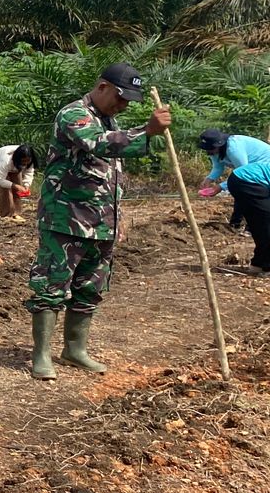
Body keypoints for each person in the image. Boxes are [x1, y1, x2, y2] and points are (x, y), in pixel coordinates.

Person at [26, 62, 171, 380]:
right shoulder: (74, 114)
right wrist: (146, 131)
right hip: (66, 218)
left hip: (102, 221)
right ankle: (42, 357)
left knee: (90, 286)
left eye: (129, 101)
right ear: (103, 86)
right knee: (51, 285)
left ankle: (75, 350)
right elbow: (97, 143)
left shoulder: (110, 120)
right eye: (120, 97)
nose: (123, 105)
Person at [198, 129, 270, 231]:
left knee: (250, 194)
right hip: (250, 171)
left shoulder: (233, 148)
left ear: (219, 145)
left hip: (264, 166)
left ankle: (253, 227)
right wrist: (209, 179)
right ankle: (235, 224)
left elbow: (243, 174)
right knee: (240, 192)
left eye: (210, 149)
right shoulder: (214, 151)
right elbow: (218, 167)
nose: (209, 152)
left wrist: (220, 187)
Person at [224, 157, 270, 275]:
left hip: (240, 179)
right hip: (247, 181)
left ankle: (258, 264)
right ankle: (266, 267)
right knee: (265, 223)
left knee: (259, 224)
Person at [0, 143, 37, 223]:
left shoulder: (29, 161)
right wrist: (15, 185)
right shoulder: (6, 160)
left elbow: (29, 173)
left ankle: (16, 213)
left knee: (18, 189)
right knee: (5, 190)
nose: (26, 163)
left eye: (27, 161)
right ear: (17, 159)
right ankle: (6, 215)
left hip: (15, 167)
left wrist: (26, 185)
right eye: (23, 161)